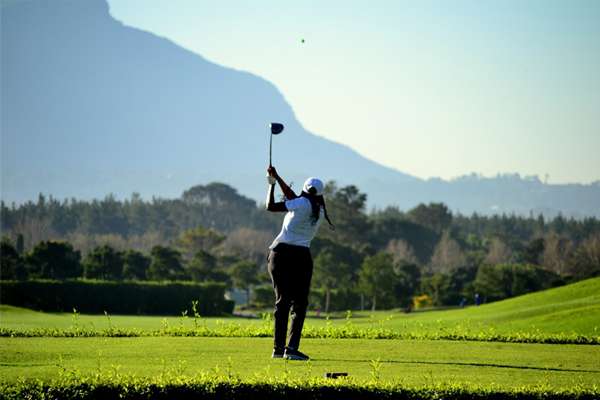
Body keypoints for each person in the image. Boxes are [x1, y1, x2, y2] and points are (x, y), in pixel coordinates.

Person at [265, 165, 333, 361]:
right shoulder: (319, 210)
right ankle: (291, 349)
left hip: (280, 253)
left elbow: (271, 206)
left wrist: (271, 184)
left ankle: (278, 349)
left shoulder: (299, 203)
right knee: (300, 304)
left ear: (305, 189)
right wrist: (277, 177)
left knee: (282, 302)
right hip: (301, 256)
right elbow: (294, 197)